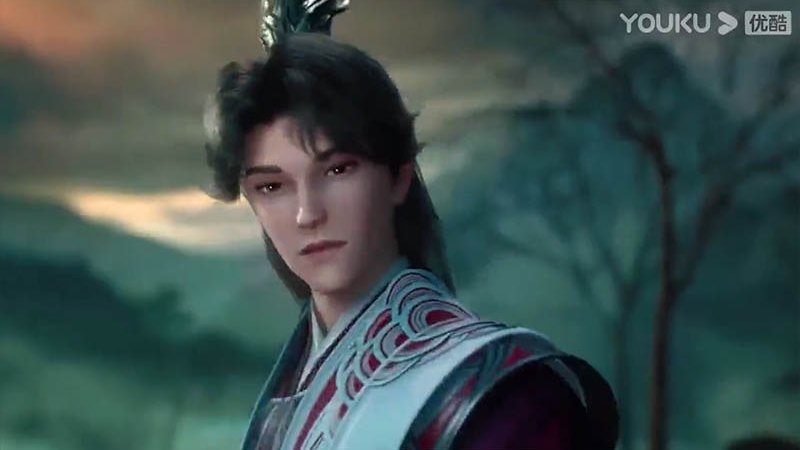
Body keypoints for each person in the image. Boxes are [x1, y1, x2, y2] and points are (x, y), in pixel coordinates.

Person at [204, 3, 618, 449]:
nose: (307, 213)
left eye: (338, 170)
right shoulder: (292, 398)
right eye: (271, 186)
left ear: (398, 176)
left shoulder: (507, 398)